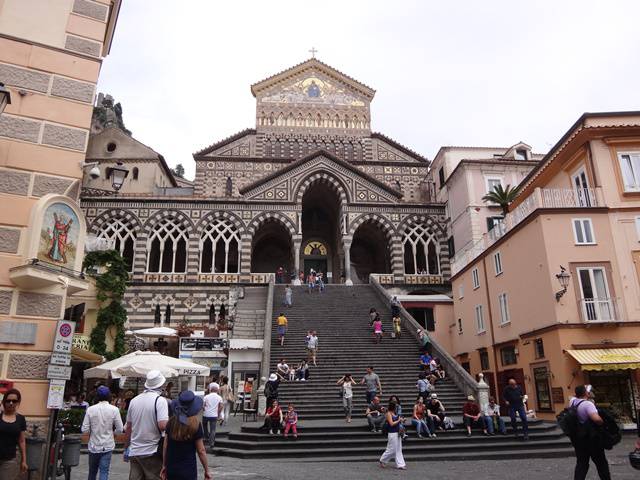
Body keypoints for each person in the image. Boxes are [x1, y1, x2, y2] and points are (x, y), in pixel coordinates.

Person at [124, 370, 169, 480]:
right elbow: (162, 425)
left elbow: (128, 427)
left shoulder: (134, 401)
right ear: (161, 385)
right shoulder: (160, 401)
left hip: (134, 451)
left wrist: (126, 447)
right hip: (151, 451)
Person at [161, 390, 210, 480]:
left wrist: (164, 465)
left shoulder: (171, 422)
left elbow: (165, 446)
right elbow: (201, 450)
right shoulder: (195, 424)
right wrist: (206, 470)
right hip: (188, 469)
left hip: (172, 468)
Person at [82, 386, 124, 480]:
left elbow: (84, 429)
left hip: (93, 445)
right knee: (104, 472)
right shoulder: (114, 410)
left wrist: (91, 432)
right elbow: (120, 429)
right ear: (109, 396)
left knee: (92, 472)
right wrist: (114, 433)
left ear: (97, 396)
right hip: (107, 445)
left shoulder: (90, 409)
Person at [570, 385, 611, 480]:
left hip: (579, 438)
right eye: (587, 391)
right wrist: (602, 420)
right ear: (585, 393)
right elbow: (596, 419)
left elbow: (573, 396)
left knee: (582, 464)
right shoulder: (587, 404)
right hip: (592, 438)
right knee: (601, 463)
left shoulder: (572, 402)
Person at [0, 389, 27, 478]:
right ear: (4, 401)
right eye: (8, 401)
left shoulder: (20, 419)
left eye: (14, 401)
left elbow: (22, 441)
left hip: (9, 459)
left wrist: (24, 460)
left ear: (18, 402)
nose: (11, 403)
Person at [378, 401, 406, 470]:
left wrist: (402, 420)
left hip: (398, 433)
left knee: (398, 449)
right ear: (393, 407)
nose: (396, 407)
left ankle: (400, 464)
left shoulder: (395, 413)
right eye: (395, 406)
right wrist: (399, 420)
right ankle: (382, 460)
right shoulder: (388, 413)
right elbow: (391, 424)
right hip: (392, 433)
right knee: (392, 449)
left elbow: (399, 421)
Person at [202, 383, 223, 452]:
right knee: (213, 429)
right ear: (217, 390)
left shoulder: (206, 397)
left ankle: (206, 436)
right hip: (214, 415)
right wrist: (218, 413)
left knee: (204, 425)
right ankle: (211, 443)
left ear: (210, 390)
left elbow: (203, 406)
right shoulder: (219, 397)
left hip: (206, 415)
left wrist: (204, 410)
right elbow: (221, 406)